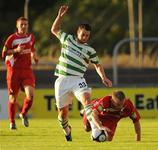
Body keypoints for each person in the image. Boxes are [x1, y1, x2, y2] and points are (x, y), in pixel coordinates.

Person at [51, 5, 112, 141]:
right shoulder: (67, 39)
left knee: (86, 101)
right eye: (83, 34)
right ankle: (67, 130)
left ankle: (96, 129)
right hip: (62, 80)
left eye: (87, 35)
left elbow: (97, 64)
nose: (85, 37)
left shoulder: (90, 50)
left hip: (78, 79)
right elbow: (54, 29)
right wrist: (60, 16)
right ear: (77, 32)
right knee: (62, 114)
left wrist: (104, 77)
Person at [1, 17, 39, 130]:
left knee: (30, 95)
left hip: (27, 71)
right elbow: (3, 54)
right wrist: (15, 51)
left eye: (26, 24)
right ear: (17, 26)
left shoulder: (31, 37)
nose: (24, 26)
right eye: (21, 24)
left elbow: (32, 48)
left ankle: (23, 113)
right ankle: (12, 122)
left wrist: (34, 56)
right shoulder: (12, 38)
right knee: (13, 98)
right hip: (14, 72)